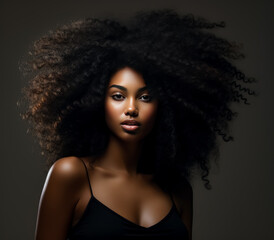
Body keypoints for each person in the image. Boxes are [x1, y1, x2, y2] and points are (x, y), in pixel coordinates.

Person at [18, 9, 256, 240]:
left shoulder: (177, 190)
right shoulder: (71, 175)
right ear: (97, 101)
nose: (131, 108)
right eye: (118, 96)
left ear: (165, 106)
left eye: (145, 97)